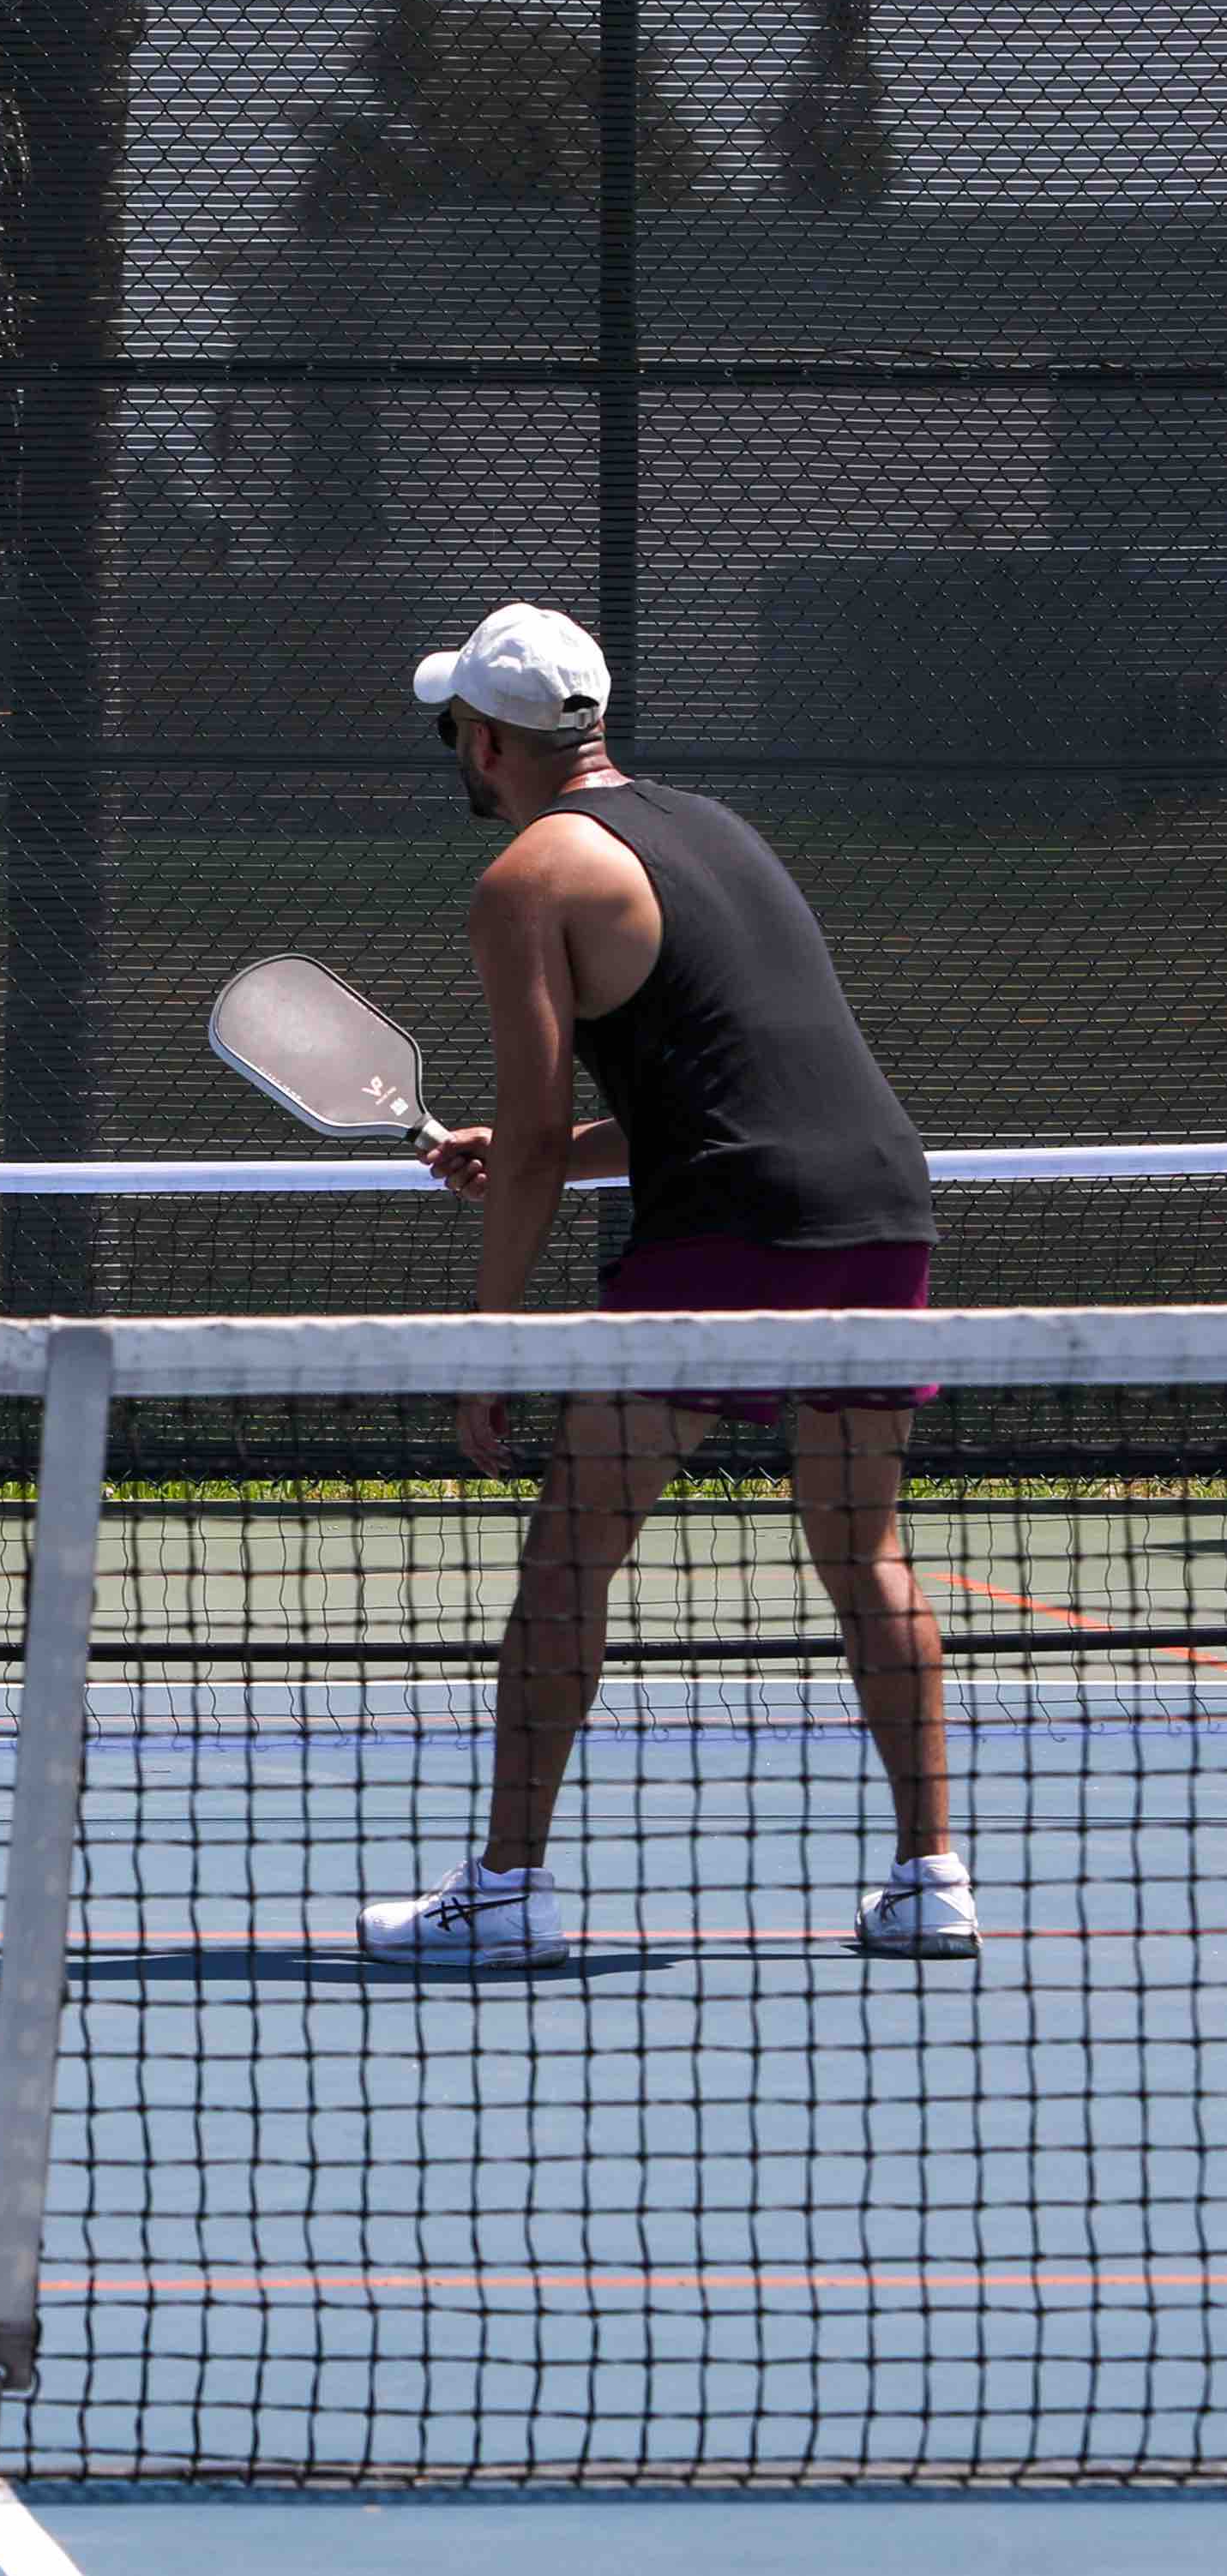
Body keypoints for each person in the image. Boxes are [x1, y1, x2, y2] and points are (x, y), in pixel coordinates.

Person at [357, 601, 968, 1970]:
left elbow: (526, 1136)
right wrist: (553, 1157)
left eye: (452, 722)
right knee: (861, 1551)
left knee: (569, 1553)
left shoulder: (528, 873)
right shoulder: (713, 830)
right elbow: (736, 1089)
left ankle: (505, 1887)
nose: (448, 743)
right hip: (873, 1203)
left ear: (491, 739)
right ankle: (931, 1874)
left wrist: (487, 1340)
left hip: (723, 1232)